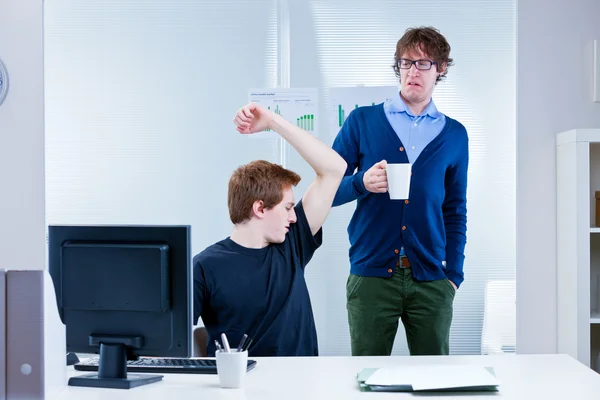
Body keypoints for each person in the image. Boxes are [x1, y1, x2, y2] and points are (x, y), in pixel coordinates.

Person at [331, 26, 469, 356]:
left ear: (441, 68)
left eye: (423, 63)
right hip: (372, 276)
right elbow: (327, 189)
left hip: (431, 280)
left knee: (435, 380)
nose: (412, 72)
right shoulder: (361, 121)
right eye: (405, 63)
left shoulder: (455, 135)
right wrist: (360, 183)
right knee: (366, 376)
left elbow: (455, 211)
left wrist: (453, 276)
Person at [193, 102, 346, 357]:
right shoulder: (205, 266)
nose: (294, 217)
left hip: (301, 384)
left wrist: (273, 122)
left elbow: (334, 170)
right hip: (239, 386)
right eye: (287, 208)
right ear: (260, 209)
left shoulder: (292, 244)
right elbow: (167, 336)